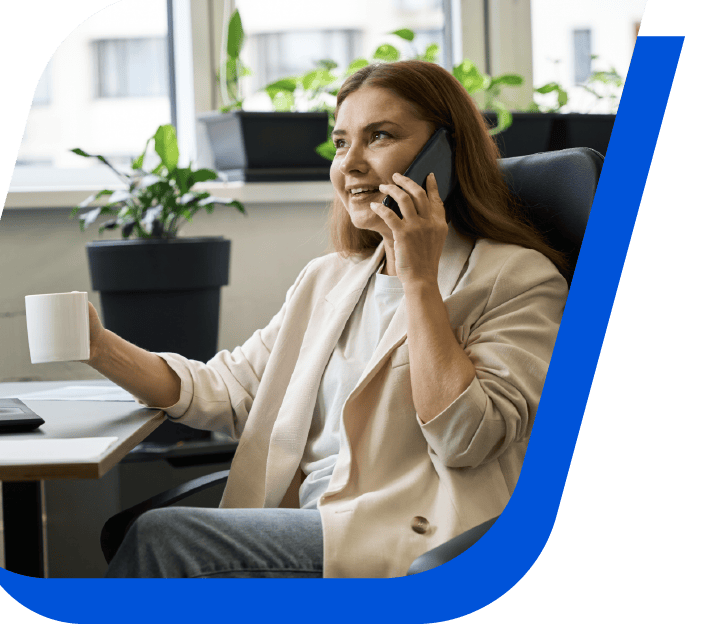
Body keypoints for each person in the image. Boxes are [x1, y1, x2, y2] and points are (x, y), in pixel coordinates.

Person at [89, 60, 568, 578]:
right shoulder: (330, 278)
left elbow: (466, 439)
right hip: (311, 523)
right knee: (145, 530)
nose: (351, 164)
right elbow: (229, 390)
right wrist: (97, 347)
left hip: (411, 540)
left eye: (379, 136)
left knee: (166, 540)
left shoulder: (517, 277)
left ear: (445, 155)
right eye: (342, 143)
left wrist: (420, 281)